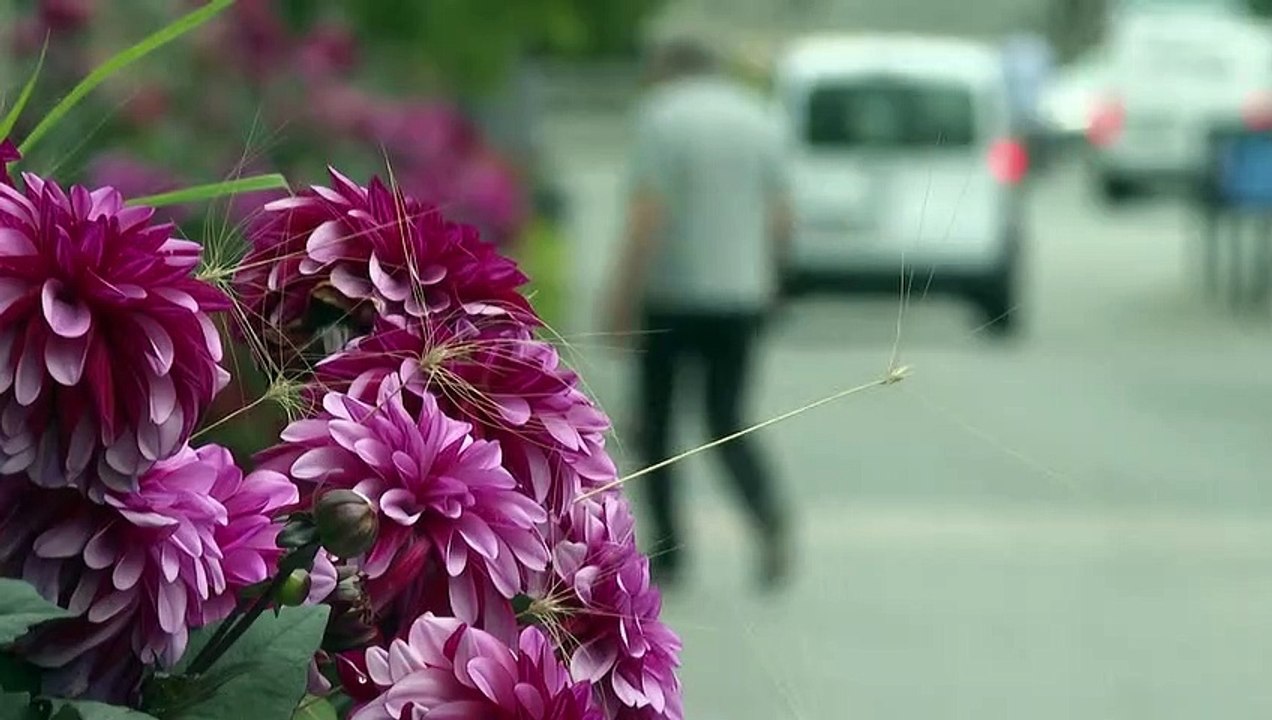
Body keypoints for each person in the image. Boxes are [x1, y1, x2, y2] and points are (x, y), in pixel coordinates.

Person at [604, 36, 793, 591]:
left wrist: (621, 297)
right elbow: (782, 217)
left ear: (667, 71)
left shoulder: (660, 117)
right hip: (740, 296)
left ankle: (671, 550)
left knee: (657, 426)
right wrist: (775, 283)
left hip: (673, 295)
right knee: (727, 418)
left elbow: (647, 215)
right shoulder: (760, 119)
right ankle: (767, 512)